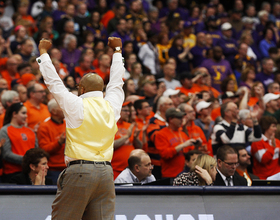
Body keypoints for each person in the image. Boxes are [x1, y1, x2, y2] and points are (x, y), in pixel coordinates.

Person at [37, 37, 124, 219]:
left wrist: (44, 54)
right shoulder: (112, 105)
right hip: (107, 173)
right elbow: (116, 82)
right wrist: (117, 51)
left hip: (81, 170)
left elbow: (55, 83)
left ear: (81, 89)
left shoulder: (76, 105)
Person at [0, 102, 38, 183]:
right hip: (12, 173)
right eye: (23, 113)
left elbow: (37, 151)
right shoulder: (5, 130)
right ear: (14, 114)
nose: (26, 116)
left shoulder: (31, 131)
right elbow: (6, 154)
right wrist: (27, 161)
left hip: (31, 173)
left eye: (26, 113)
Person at [154, 108, 195, 178]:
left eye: (182, 117)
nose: (182, 120)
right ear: (170, 119)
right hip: (170, 175)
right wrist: (182, 145)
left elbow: (190, 152)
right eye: (179, 118)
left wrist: (196, 146)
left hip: (186, 174)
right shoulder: (161, 134)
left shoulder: (182, 134)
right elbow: (165, 154)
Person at [37, 99, 66, 184]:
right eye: (61, 107)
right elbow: (44, 149)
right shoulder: (44, 127)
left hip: (68, 167)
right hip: (53, 169)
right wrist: (59, 143)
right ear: (54, 111)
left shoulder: (68, 124)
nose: (65, 108)